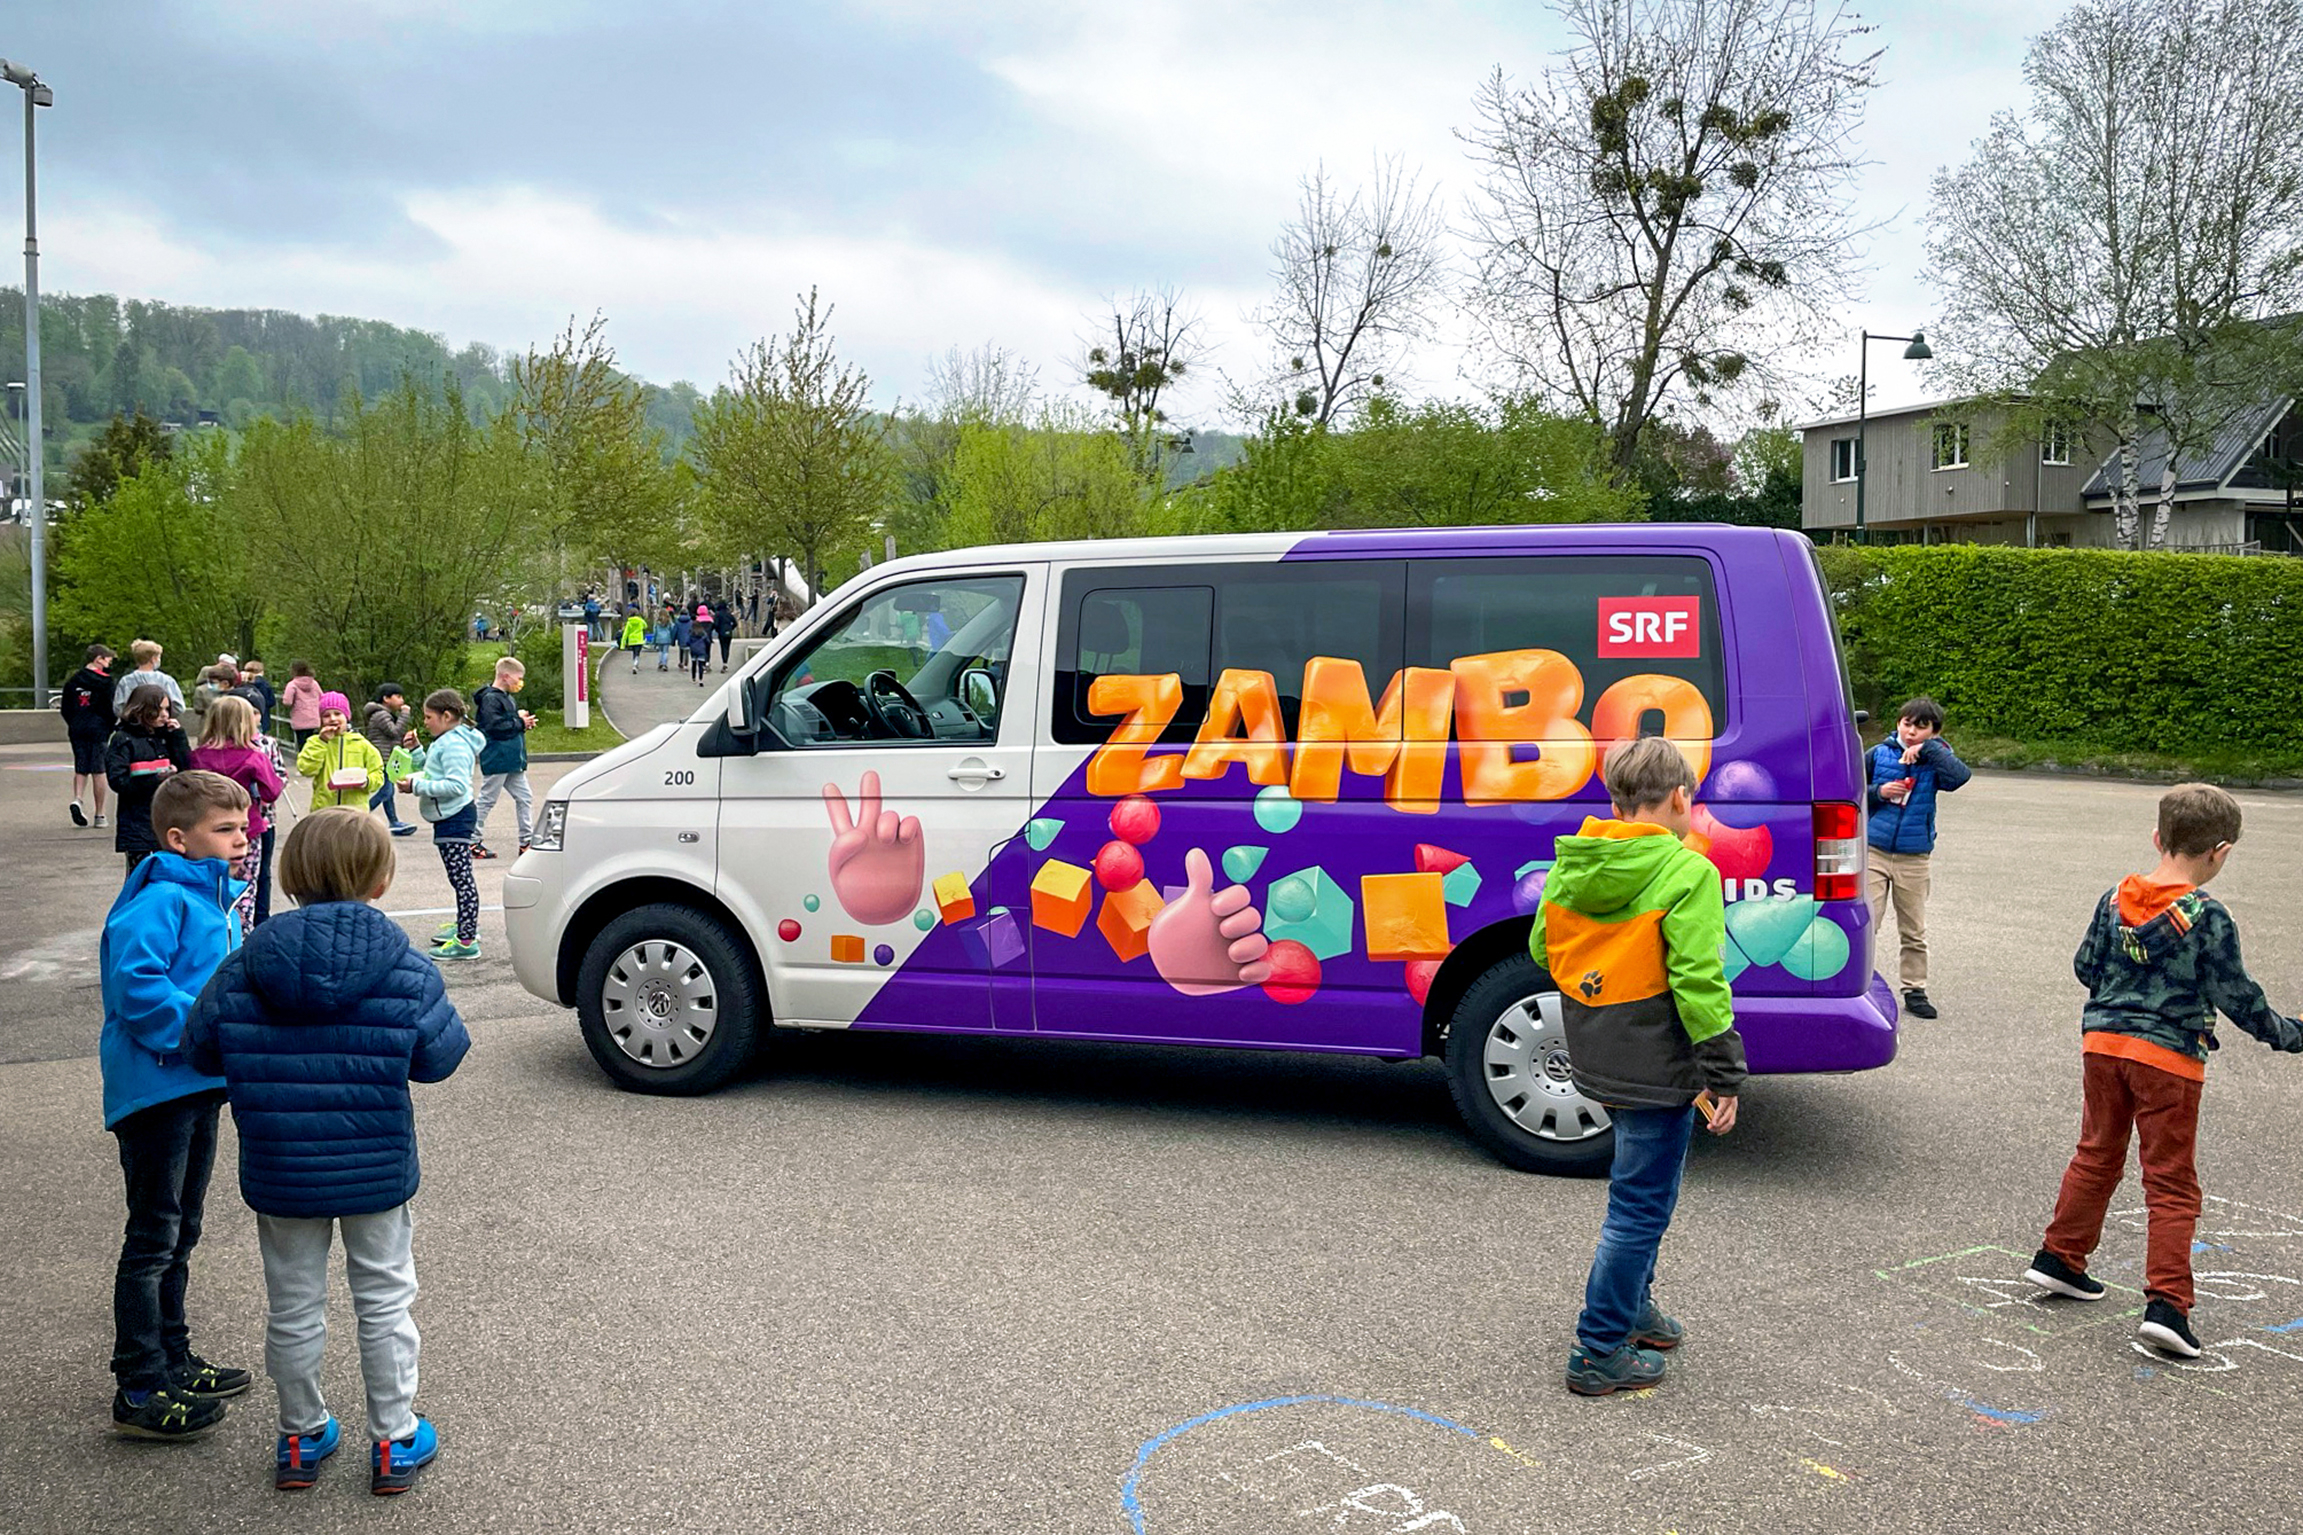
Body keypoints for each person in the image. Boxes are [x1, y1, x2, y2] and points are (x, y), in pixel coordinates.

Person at [186, 807, 469, 1493]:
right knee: (383, 1299)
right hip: (376, 1168)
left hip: (282, 1167)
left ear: (290, 876)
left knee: (292, 1303)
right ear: (378, 880)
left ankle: (301, 1434)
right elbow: (439, 1057)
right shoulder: (404, 963)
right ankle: (395, 1439)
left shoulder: (246, 963)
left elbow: (198, 1048)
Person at [2021, 783, 2303, 1358]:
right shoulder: (2208, 917)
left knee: (2097, 1152)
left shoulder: (2112, 900)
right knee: (2171, 1179)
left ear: (2158, 838)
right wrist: (2289, 1033)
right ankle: (2168, 1306)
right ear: (2220, 852)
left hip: (2103, 1044)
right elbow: (2237, 996)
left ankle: (2059, 1258)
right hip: (2168, 1059)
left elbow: (2085, 965)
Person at [1535, 736, 1745, 1397]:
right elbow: (1697, 978)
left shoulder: (1577, 860)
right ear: (1678, 796)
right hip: (1658, 1060)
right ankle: (1598, 1348)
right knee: (1639, 1208)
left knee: (1642, 1200)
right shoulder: (1687, 872)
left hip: (1597, 1050)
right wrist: (1722, 1070)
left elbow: (1543, 945)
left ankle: (1633, 1310)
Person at [99, 769, 256, 1440]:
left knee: (181, 1228)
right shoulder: (160, 899)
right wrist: (204, 1031)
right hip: (157, 1087)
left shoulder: (214, 898)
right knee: (153, 1236)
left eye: (243, 826)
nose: (240, 838)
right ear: (178, 838)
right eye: (224, 829)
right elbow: (136, 989)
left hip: (195, 1083)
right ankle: (139, 1380)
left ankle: (174, 1355)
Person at [1866, 696, 1971, 1020]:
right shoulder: (1879, 753)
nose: (1911, 731)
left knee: (1914, 929)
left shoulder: (1937, 758)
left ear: (1934, 731)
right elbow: (1852, 788)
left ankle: (1914, 989)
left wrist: (1929, 749)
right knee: (1869, 921)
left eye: (1921, 727)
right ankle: (1859, 984)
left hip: (1914, 856)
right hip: (1874, 851)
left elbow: (1959, 777)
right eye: (1907, 723)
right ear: (1898, 723)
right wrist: (1879, 792)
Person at [400, 690, 487, 961]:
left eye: (428, 717)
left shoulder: (454, 745)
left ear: (446, 716)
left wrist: (416, 785)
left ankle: (466, 939)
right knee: (457, 877)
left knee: (462, 879)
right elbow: (432, 770)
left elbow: (456, 785)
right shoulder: (445, 740)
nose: (424, 722)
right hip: (447, 817)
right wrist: (416, 752)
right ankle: (465, 925)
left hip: (455, 818)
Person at [190, 695, 285, 937]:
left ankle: (210, 934)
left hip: (206, 829)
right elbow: (272, 791)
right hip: (246, 829)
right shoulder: (253, 756)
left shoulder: (197, 757)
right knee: (245, 888)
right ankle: (240, 936)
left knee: (208, 883)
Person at [106, 685, 194, 877]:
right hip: (137, 822)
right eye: (158, 710)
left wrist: (178, 737)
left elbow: (188, 769)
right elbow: (118, 781)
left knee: (171, 875)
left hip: (168, 819)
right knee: (140, 878)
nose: (164, 715)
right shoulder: (123, 739)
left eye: (166, 709)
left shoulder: (166, 737)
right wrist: (155, 779)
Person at [470, 658, 536, 860]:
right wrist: (519, 722)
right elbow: (494, 726)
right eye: (519, 678)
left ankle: (527, 840)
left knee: (525, 798)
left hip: (511, 759)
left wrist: (519, 719)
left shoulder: (504, 697)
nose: (520, 682)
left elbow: (506, 720)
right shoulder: (491, 699)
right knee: (487, 799)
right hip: (498, 756)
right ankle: (472, 841)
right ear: (505, 676)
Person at [297, 692, 385, 811]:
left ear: (347, 717)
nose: (332, 719)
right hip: (324, 810)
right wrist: (322, 742)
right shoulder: (315, 742)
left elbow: (378, 774)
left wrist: (366, 781)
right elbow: (306, 769)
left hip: (355, 812)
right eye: (326, 715)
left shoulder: (362, 744)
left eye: (338, 714)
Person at [62, 641, 118, 828]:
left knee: (81, 767)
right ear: (99, 659)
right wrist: (108, 726)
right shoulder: (106, 682)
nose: (109, 662)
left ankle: (77, 798)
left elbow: (66, 708)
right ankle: (100, 814)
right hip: (98, 729)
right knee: (99, 770)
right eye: (107, 658)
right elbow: (110, 708)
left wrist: (74, 722)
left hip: (77, 728)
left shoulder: (74, 680)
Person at [364, 685, 421, 838]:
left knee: (388, 793)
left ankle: (394, 822)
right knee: (386, 791)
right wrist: (405, 714)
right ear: (386, 698)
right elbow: (394, 731)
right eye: (398, 696)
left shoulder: (383, 714)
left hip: (388, 757)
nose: (402, 700)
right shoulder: (380, 715)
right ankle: (361, 815)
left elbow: (394, 735)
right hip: (382, 758)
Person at [111, 638, 185, 718]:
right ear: (153, 659)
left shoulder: (126, 681)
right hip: (161, 725)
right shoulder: (166, 680)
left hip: (134, 726)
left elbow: (119, 708)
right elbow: (179, 707)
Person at [185, 663, 238, 744]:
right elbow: (198, 709)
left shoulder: (238, 694)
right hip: (209, 728)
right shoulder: (202, 690)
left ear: (226, 683)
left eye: (213, 682)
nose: (210, 685)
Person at [281, 662, 324, 748]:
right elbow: (322, 697)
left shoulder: (292, 685)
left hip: (300, 720)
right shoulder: (314, 683)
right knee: (315, 745)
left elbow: (287, 702)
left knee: (302, 746)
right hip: (314, 719)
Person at [231, 658, 277, 737]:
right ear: (261, 671)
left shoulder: (240, 684)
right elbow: (271, 701)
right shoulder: (264, 684)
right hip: (262, 717)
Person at [713, 597, 738, 671]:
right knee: (727, 647)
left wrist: (717, 630)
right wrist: (731, 628)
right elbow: (735, 623)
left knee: (723, 647)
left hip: (721, 632)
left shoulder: (718, 614)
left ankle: (724, 662)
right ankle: (725, 662)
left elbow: (716, 624)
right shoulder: (729, 613)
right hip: (729, 632)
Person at [621, 608, 648, 673]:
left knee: (634, 653)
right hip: (639, 639)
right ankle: (635, 664)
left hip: (632, 640)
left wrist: (622, 644)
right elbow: (645, 626)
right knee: (637, 653)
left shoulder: (629, 622)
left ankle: (635, 664)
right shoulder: (640, 620)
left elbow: (625, 633)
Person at [688, 619, 714, 686]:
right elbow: (707, 641)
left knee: (693, 664)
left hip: (693, 650)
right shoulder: (703, 633)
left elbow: (688, 642)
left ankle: (693, 678)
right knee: (700, 665)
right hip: (701, 650)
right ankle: (700, 680)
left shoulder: (691, 633)